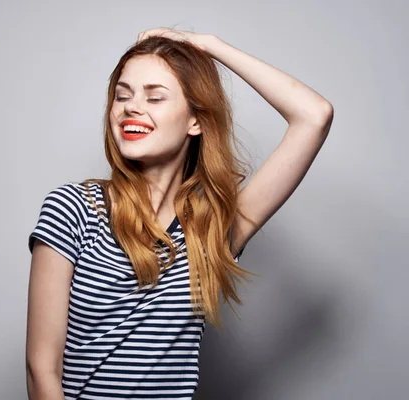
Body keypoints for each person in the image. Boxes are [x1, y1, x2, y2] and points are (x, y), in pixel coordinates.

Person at [25, 27, 333, 400]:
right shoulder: (73, 209)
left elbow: (314, 115)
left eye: (155, 97)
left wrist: (211, 46)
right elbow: (42, 371)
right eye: (122, 96)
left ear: (196, 121)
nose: (131, 107)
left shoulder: (213, 230)